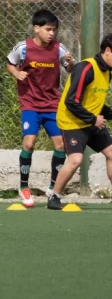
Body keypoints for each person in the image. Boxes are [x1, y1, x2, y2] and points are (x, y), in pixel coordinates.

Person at [6, 9, 74, 207]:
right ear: (36, 28)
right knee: (29, 144)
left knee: (60, 146)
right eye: (48, 29)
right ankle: (23, 187)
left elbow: (70, 69)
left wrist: (70, 64)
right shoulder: (23, 48)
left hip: (53, 104)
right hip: (30, 104)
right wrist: (16, 73)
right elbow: (10, 63)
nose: (51, 33)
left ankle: (53, 187)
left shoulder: (59, 49)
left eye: (54, 30)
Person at [47, 34, 112, 210]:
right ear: (107, 50)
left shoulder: (107, 73)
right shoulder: (86, 68)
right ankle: (54, 196)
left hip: (91, 121)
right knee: (76, 160)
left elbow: (94, 102)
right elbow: (71, 102)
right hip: (72, 121)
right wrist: (93, 119)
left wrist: (107, 114)